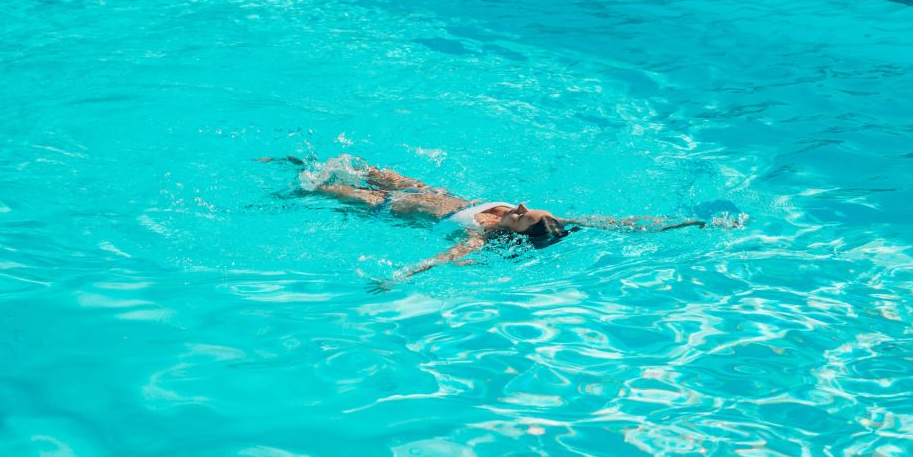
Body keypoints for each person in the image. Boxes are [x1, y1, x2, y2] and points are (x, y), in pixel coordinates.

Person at [262, 154, 721, 285]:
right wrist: (682, 223)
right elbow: (619, 223)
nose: (520, 208)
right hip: (422, 190)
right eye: (528, 208)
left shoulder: (480, 238)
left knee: (318, 185)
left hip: (389, 208)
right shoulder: (543, 218)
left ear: (518, 232)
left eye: (523, 217)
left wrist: (399, 277)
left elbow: (446, 257)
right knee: (356, 161)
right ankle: (291, 158)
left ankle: (275, 186)